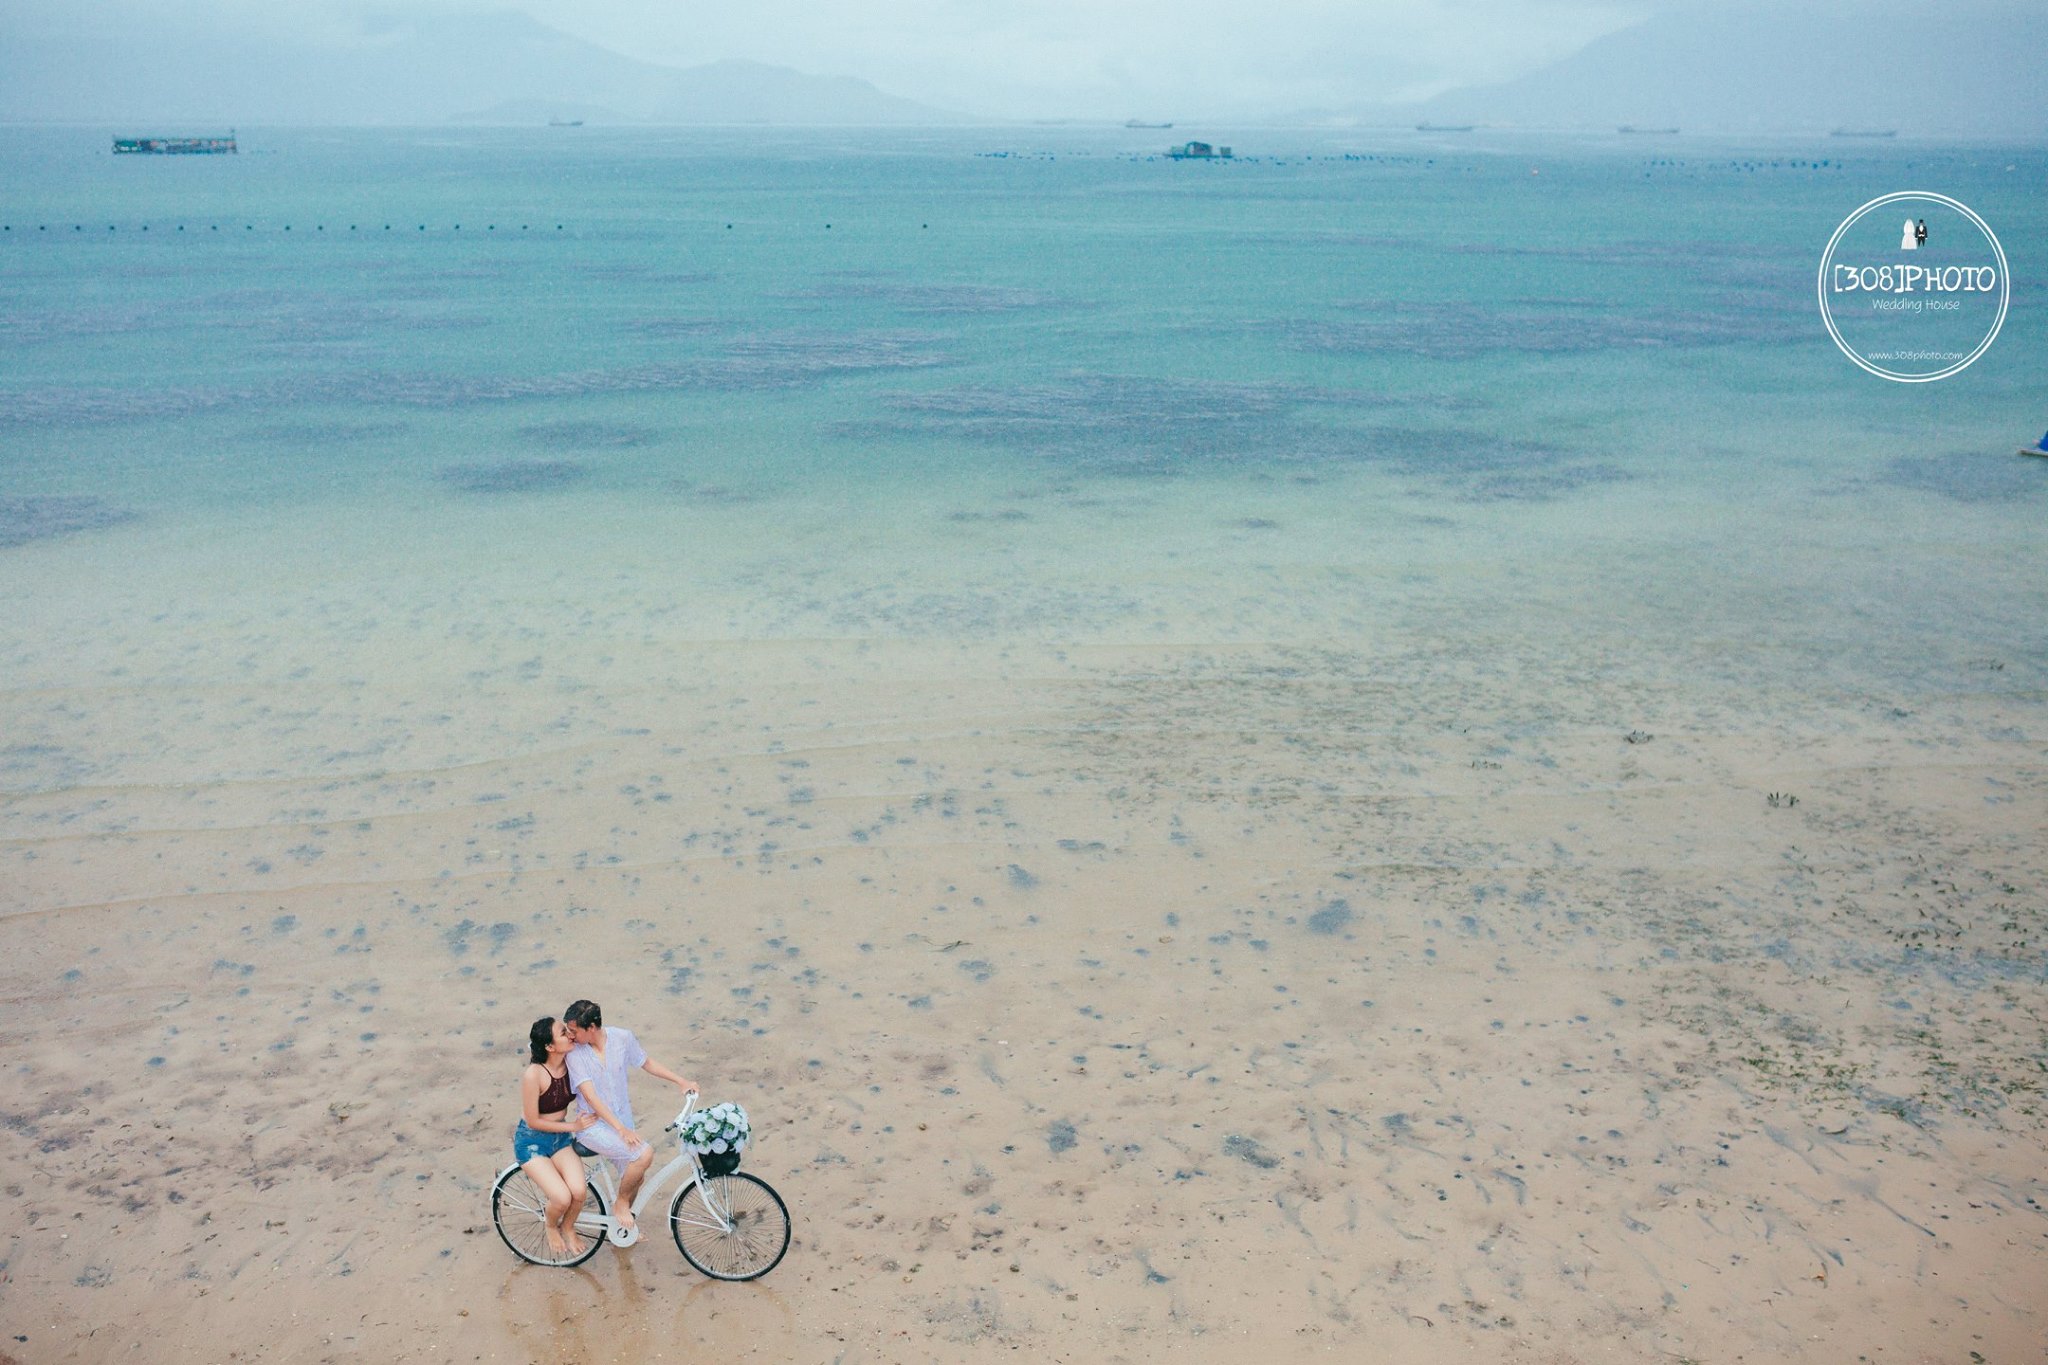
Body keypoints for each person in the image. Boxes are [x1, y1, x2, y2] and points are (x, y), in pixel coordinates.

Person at [562, 1000, 698, 1234]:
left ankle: (620, 1230)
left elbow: (646, 1062)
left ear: (591, 1027)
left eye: (574, 1030)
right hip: (593, 1126)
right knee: (644, 1154)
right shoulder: (575, 1054)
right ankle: (621, 1204)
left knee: (636, 1177)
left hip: (622, 1121)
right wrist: (620, 1130)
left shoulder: (622, 1038)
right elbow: (592, 1098)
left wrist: (681, 1081)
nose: (570, 1035)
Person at [514, 1017, 600, 1259]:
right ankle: (551, 1225)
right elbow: (532, 1120)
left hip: (559, 1137)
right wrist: (574, 1125)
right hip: (532, 1142)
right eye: (563, 1033)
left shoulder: (571, 1063)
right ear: (550, 1047)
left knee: (579, 1192)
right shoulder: (534, 1074)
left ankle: (568, 1226)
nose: (570, 1035)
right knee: (561, 1198)